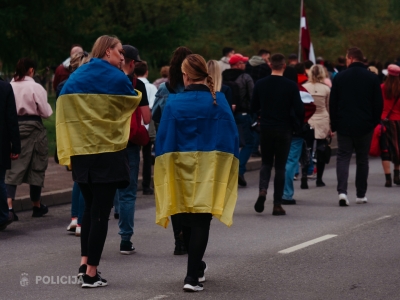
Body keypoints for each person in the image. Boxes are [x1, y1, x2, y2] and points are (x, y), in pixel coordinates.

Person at [56, 35, 141, 287]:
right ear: (107, 53)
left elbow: (62, 100)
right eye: (119, 52)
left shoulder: (77, 75)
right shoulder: (117, 77)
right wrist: (124, 74)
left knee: (88, 209)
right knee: (101, 215)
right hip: (107, 152)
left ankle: (84, 263)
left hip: (81, 152)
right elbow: (131, 101)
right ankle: (91, 273)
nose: (122, 56)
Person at [154, 54, 239, 292]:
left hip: (180, 166)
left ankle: (195, 270)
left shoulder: (174, 102)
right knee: (202, 218)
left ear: (185, 76)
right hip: (210, 168)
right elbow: (230, 138)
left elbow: (164, 139)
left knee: (185, 214)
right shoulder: (219, 101)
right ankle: (193, 274)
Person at [330, 47, 383, 206]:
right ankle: (361, 194)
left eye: (347, 59)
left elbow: (333, 103)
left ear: (351, 59)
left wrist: (334, 123)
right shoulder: (372, 78)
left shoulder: (340, 77)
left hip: (344, 123)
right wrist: (373, 122)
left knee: (343, 157)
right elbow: (378, 104)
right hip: (365, 124)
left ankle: (342, 192)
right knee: (362, 159)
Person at [152, 46, 193, 256]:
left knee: (175, 193)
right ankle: (191, 233)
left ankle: (179, 238)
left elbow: (156, 116)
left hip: (169, 146)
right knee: (191, 192)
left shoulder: (165, 90)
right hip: (193, 146)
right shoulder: (196, 91)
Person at [252, 53, 304, 215]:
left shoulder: (260, 84)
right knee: (280, 166)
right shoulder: (290, 85)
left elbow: (253, 106)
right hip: (284, 129)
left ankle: (262, 190)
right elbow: (299, 109)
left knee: (266, 163)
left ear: (270, 66)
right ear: (284, 66)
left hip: (266, 127)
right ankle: (277, 203)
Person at [114, 44, 150, 254]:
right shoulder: (138, 85)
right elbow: (146, 118)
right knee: (128, 193)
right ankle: (125, 239)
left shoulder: (106, 81)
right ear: (133, 62)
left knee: (105, 189)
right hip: (130, 142)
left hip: (107, 141)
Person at [6, 58, 53, 220]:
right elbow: (46, 113)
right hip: (34, 128)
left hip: (12, 128)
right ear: (31, 70)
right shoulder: (35, 87)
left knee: (12, 167)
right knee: (36, 166)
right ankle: (36, 205)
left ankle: (9, 206)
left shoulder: (9, 86)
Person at [58, 52, 90, 237]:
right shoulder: (87, 84)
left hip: (70, 135)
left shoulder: (64, 85)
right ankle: (80, 221)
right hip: (85, 136)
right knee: (85, 181)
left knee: (78, 180)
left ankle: (74, 218)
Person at [222, 54, 255, 187]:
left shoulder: (223, 76)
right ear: (237, 64)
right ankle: (239, 170)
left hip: (228, 114)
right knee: (249, 143)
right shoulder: (245, 77)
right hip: (243, 113)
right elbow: (252, 95)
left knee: (232, 143)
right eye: (243, 63)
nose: (245, 65)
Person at [303, 64, 331, 188]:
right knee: (321, 148)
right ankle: (319, 178)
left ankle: (304, 174)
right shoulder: (326, 89)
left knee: (306, 148)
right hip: (322, 118)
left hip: (308, 119)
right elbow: (328, 107)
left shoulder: (304, 87)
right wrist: (330, 125)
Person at [0, 79, 20, 230]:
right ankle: (2, 215)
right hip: (1, 140)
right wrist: (16, 146)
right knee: (0, 180)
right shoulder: (5, 87)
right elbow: (11, 118)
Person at [135, 61, 158, 195]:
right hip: (147, 125)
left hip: (135, 126)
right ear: (147, 72)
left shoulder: (132, 85)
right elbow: (154, 107)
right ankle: (146, 185)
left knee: (133, 155)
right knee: (147, 156)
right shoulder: (151, 87)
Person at [380, 64, 400, 187]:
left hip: (384, 120)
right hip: (398, 121)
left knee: (385, 148)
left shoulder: (382, 87)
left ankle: (388, 178)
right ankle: (397, 174)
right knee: (397, 147)